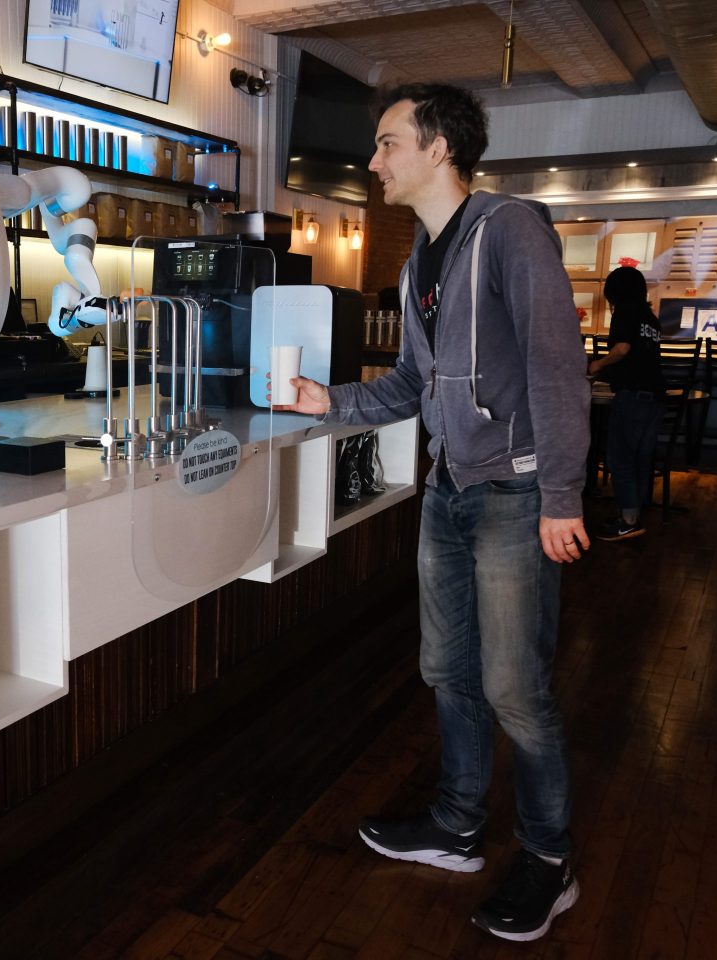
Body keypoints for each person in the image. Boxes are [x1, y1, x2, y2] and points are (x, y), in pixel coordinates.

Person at [271, 83, 590, 942]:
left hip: (515, 494)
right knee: (446, 668)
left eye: (386, 144)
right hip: (447, 491)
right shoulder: (419, 265)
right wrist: (322, 400)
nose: (372, 162)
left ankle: (550, 860)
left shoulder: (511, 230)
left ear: (439, 146)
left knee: (514, 686)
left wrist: (561, 495)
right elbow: (413, 386)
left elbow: (560, 369)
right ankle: (456, 823)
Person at [589, 267, 664, 540]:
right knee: (641, 458)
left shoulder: (625, 311)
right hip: (655, 398)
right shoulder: (651, 319)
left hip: (633, 397)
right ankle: (634, 514)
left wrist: (598, 364)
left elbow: (622, 349)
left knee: (620, 458)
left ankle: (628, 521)